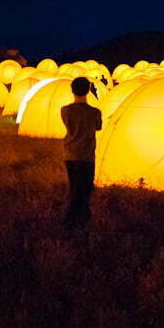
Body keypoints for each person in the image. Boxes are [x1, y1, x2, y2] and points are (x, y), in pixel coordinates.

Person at [60, 77, 102, 226]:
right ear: (88, 91)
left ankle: (76, 216)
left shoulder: (65, 110)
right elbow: (98, 127)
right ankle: (77, 217)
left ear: (72, 90)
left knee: (74, 186)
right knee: (85, 189)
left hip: (70, 154)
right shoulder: (95, 112)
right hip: (87, 156)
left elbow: (67, 125)